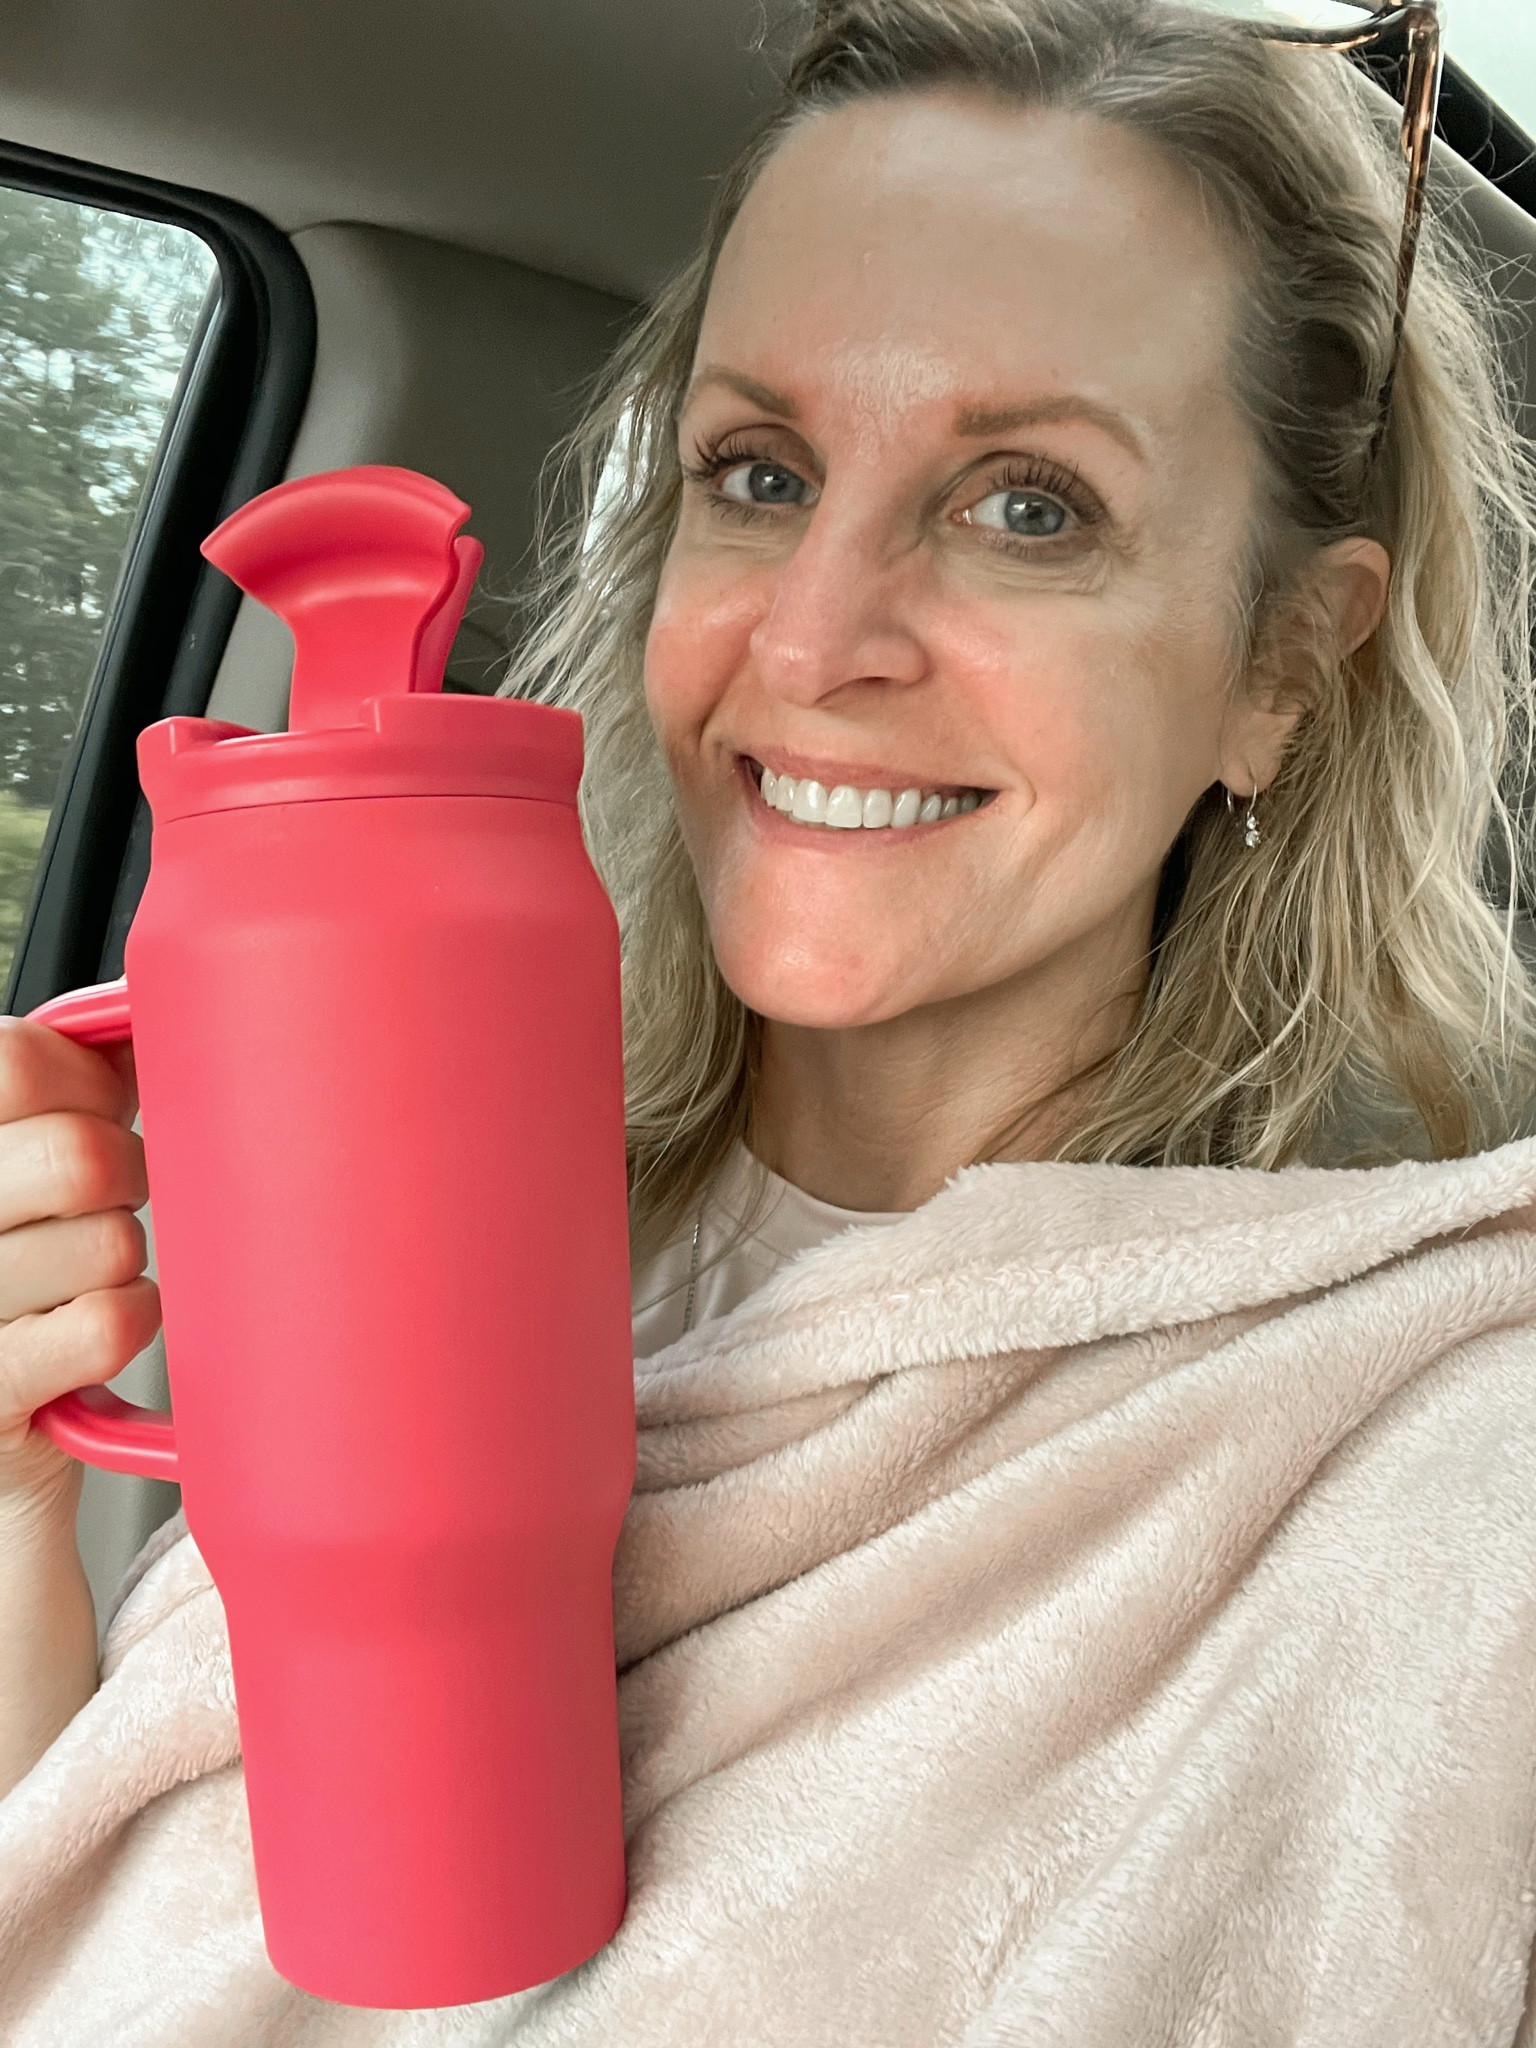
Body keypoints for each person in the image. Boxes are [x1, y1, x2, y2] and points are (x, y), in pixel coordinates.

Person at [4, 0, 1536, 2039]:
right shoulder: (453, 1236)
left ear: (1282, 666)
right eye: (760, 470)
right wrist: (18, 1492)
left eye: (1029, 507)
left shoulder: (1433, 1444)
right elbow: (102, 1892)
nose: (809, 644)